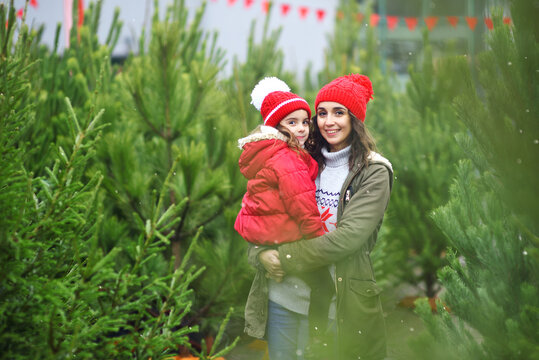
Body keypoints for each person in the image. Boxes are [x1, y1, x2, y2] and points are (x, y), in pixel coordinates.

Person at [246, 74, 393, 360]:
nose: (329, 121)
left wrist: (285, 257)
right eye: (322, 113)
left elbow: (347, 239)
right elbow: (259, 213)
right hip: (283, 298)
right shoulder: (296, 159)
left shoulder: (374, 171)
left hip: (336, 305)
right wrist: (261, 253)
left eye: (339, 113)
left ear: (355, 119)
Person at [236, 77, 335, 360]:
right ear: (276, 126)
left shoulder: (272, 151)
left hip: (269, 232)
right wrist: (317, 243)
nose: (302, 128)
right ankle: (318, 336)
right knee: (323, 286)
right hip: (287, 236)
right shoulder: (288, 158)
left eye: (305, 121)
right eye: (292, 123)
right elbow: (303, 204)